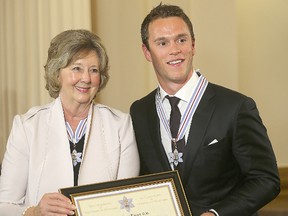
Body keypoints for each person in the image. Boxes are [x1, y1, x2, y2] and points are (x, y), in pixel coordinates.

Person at [130, 3, 280, 216]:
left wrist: (216, 214)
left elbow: (266, 180)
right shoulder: (140, 112)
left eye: (181, 40)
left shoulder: (236, 107)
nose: (175, 50)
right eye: (162, 43)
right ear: (147, 51)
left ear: (193, 44)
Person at [0, 29, 140, 215]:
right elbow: (5, 206)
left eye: (94, 70)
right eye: (77, 68)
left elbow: (128, 204)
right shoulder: (27, 127)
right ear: (57, 73)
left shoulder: (121, 126)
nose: (86, 78)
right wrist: (34, 212)